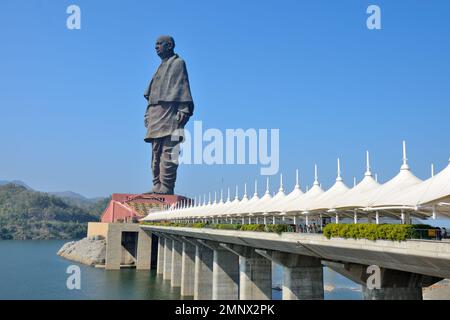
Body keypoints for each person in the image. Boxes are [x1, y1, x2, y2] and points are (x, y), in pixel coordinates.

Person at [143, 36, 194, 195]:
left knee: (169, 150)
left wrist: (184, 109)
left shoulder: (178, 63)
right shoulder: (160, 66)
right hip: (155, 113)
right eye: (155, 44)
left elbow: (183, 87)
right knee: (155, 152)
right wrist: (147, 113)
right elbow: (150, 94)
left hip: (170, 113)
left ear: (170, 45)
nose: (156, 47)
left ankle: (166, 185)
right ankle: (156, 185)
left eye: (159, 44)